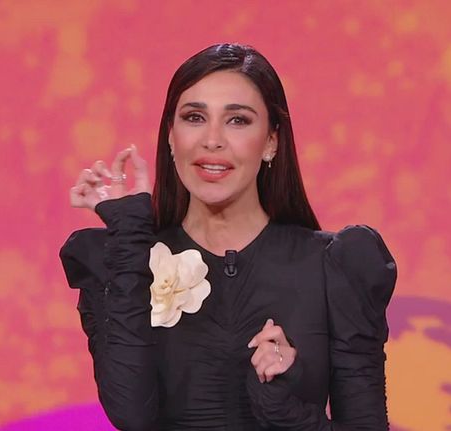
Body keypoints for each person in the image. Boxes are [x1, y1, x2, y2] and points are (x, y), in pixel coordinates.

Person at [60, 43, 397, 430]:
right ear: (170, 136)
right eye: (194, 117)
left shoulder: (333, 268)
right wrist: (129, 233)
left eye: (237, 120)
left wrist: (282, 407)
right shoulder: (128, 259)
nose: (212, 140)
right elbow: (131, 415)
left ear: (271, 141)